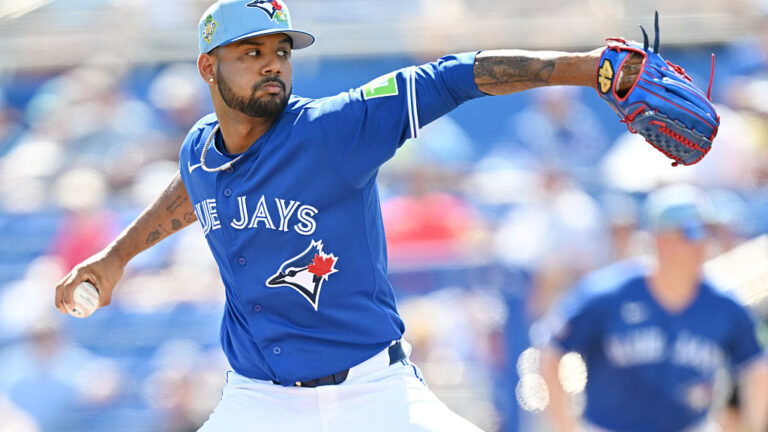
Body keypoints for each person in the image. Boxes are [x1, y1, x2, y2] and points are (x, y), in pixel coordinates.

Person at [54, 1, 638, 430]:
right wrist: (116, 256)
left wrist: (586, 68)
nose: (272, 64)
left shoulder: (332, 130)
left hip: (375, 392)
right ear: (208, 68)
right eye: (251, 52)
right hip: (257, 402)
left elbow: (450, 77)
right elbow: (193, 186)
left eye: (281, 51)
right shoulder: (201, 147)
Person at [536, 184, 768, 432]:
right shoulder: (607, 294)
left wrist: (751, 426)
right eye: (690, 231)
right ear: (659, 238)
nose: (701, 241)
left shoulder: (724, 304)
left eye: (708, 231)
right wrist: (563, 427)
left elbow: (754, 366)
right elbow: (551, 352)